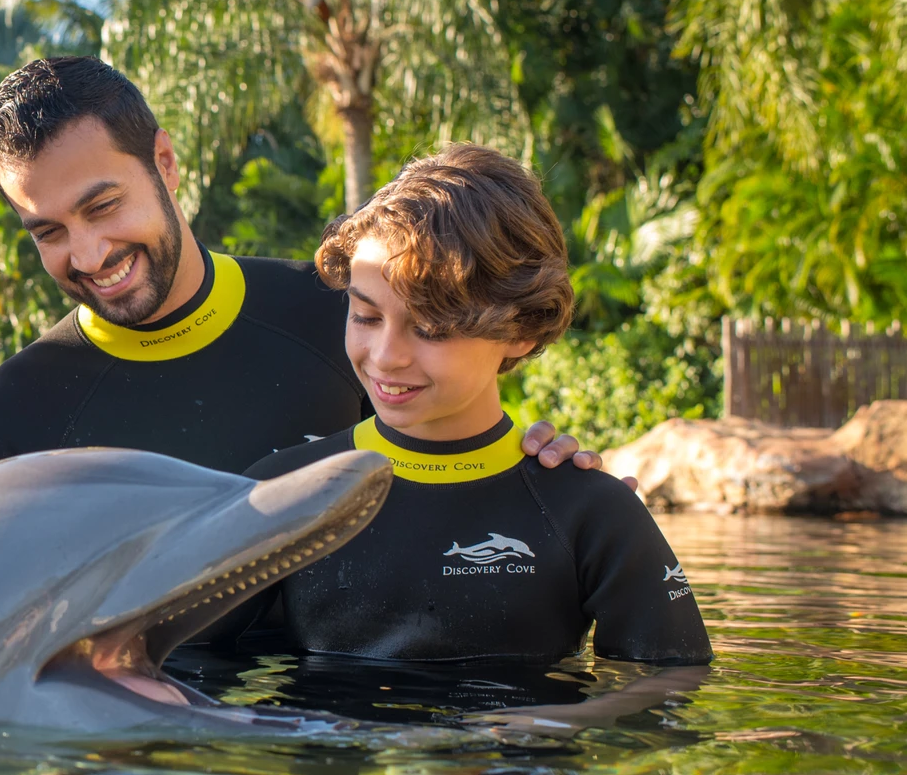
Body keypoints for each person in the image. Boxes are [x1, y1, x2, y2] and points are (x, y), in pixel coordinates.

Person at [0, 56, 603, 486]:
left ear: (165, 162)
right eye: (48, 231)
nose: (88, 253)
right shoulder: (5, 425)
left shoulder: (344, 316)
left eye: (103, 206)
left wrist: (544, 463)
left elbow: (458, 457)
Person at [231, 144, 712, 668]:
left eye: (432, 327)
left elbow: (670, 687)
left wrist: (550, 724)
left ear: (522, 331)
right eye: (366, 317)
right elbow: (174, 667)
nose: (386, 357)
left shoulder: (589, 509)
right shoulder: (280, 493)